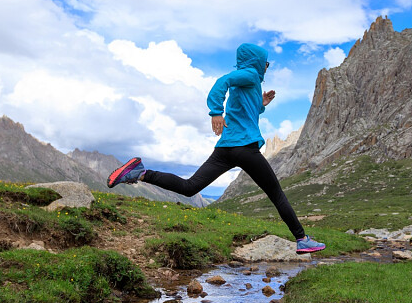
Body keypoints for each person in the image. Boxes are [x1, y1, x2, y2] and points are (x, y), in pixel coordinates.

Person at [107, 42, 325, 254]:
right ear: (255, 61)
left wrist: (261, 104)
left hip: (226, 149)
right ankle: (302, 239)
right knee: (276, 194)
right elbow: (223, 81)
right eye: (265, 64)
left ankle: (140, 173)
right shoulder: (249, 75)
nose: (266, 68)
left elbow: (243, 110)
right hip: (245, 148)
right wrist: (215, 112)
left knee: (190, 186)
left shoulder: (250, 83)